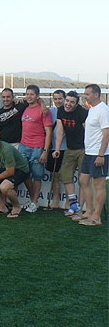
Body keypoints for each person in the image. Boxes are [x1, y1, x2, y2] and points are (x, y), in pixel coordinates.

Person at [76, 84, 109, 226]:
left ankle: (96, 217)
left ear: (96, 95)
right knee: (83, 180)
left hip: (98, 153)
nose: (85, 96)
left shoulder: (103, 110)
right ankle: (89, 211)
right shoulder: (92, 109)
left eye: (87, 94)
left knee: (99, 184)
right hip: (89, 152)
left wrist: (101, 155)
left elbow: (106, 134)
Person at [0, 130, 30, 218]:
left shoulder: (6, 149)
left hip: (21, 170)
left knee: (4, 187)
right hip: (8, 168)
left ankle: (16, 207)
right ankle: (2, 207)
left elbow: (10, 172)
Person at [53, 91, 88, 217]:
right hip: (70, 148)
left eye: (72, 102)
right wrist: (57, 149)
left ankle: (80, 208)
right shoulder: (60, 110)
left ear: (76, 103)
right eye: (67, 101)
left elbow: (88, 131)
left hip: (84, 148)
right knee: (65, 175)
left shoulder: (82, 112)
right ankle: (74, 205)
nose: (68, 104)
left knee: (83, 179)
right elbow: (60, 131)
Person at [19, 85, 53, 213]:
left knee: (37, 176)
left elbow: (48, 132)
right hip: (24, 146)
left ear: (37, 96)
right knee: (25, 174)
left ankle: (34, 202)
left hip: (37, 147)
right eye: (27, 94)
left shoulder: (44, 111)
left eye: (32, 94)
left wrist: (45, 151)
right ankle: (32, 199)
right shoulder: (25, 108)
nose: (29, 96)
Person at [46, 90, 67, 209]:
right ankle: (55, 201)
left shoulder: (68, 111)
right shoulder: (51, 111)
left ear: (64, 99)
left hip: (65, 148)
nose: (58, 101)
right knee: (54, 176)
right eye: (56, 99)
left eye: (60, 99)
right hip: (52, 147)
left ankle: (69, 201)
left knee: (66, 176)